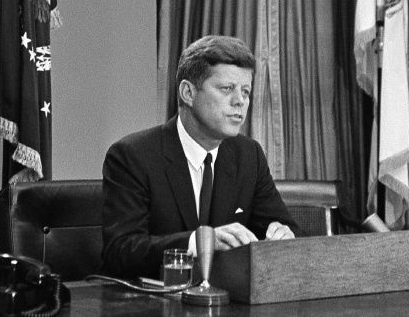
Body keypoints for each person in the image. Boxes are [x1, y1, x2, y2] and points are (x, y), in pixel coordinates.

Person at [101, 35, 298, 279]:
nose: (240, 101)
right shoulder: (132, 156)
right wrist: (199, 242)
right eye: (227, 89)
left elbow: (288, 231)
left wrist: (284, 237)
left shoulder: (249, 156)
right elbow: (120, 253)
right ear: (188, 92)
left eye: (245, 91)